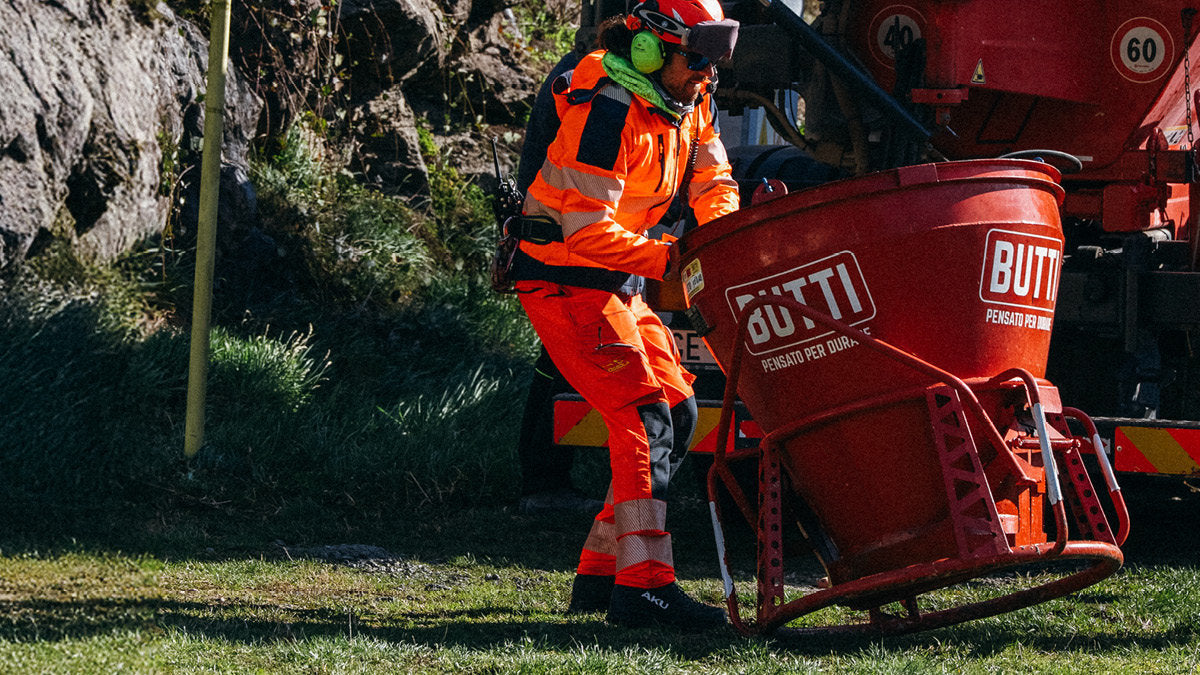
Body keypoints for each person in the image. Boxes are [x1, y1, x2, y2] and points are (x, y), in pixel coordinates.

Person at [506, 0, 740, 630]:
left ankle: (602, 577)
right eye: (697, 57)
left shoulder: (688, 102)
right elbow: (584, 230)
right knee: (642, 415)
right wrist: (677, 258)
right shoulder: (608, 109)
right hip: (566, 279)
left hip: (617, 283)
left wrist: (718, 242)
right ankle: (644, 587)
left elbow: (713, 179)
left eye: (716, 59)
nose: (708, 73)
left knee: (679, 410)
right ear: (649, 48)